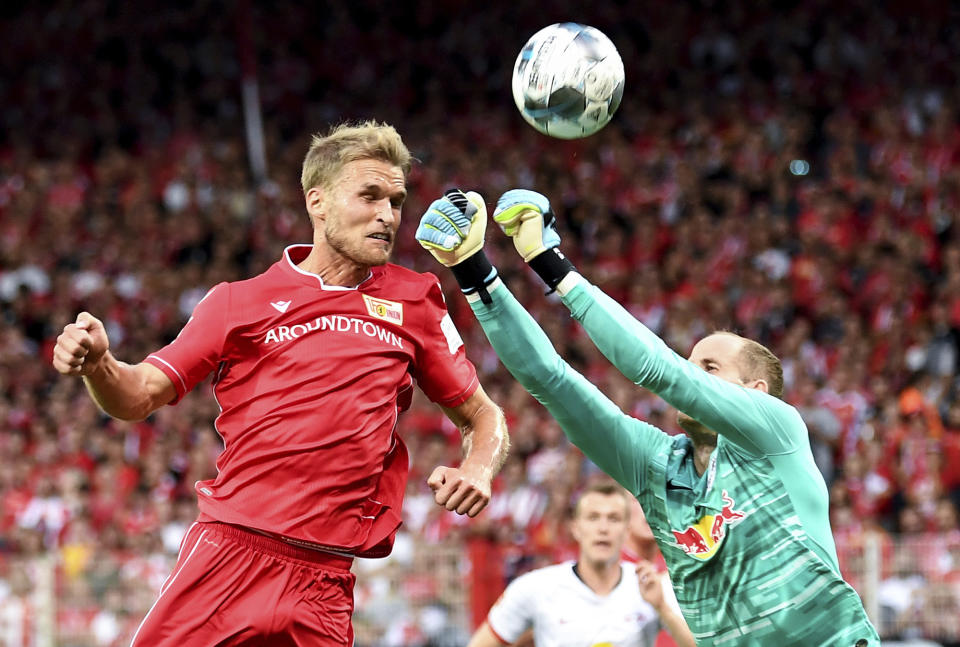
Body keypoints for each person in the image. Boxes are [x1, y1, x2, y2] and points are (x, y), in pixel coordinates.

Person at [51, 122, 509, 646]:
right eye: (370, 196)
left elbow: (483, 415)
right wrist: (99, 365)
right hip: (230, 556)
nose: (387, 215)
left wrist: (477, 468)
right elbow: (138, 395)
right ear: (317, 202)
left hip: (326, 581)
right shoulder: (236, 301)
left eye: (396, 200)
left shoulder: (415, 298)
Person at [416, 189, 880, 646]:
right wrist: (473, 269)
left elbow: (661, 370)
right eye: (692, 361)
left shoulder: (777, 435)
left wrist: (548, 260)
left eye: (710, 368)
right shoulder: (655, 466)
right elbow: (550, 380)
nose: (692, 374)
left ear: (755, 393)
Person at [466, 478, 695, 647]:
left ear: (626, 530)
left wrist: (662, 608)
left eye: (613, 518)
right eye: (593, 517)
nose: (603, 528)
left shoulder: (651, 588)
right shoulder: (536, 587)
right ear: (575, 527)